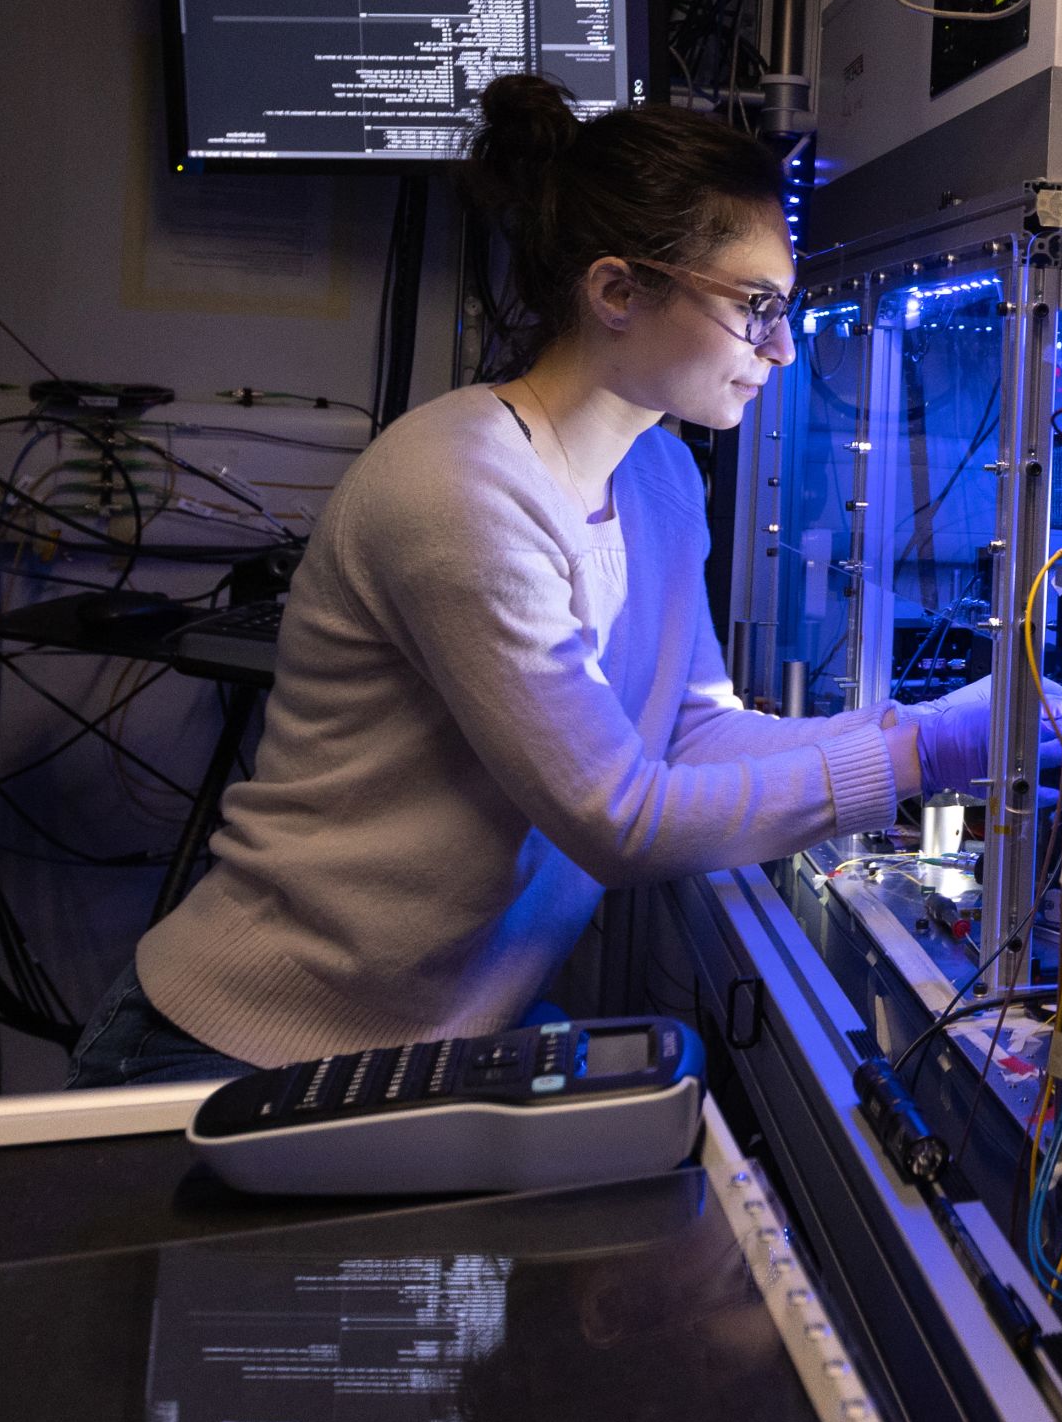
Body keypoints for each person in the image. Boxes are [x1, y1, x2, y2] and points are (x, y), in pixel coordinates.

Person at [69, 75, 1006, 1086]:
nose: (781, 347)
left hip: (429, 1042)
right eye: (757, 306)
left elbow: (690, 731)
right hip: (244, 1046)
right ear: (616, 291)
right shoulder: (458, 484)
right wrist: (923, 758)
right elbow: (621, 819)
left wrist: (928, 725)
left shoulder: (657, 475)